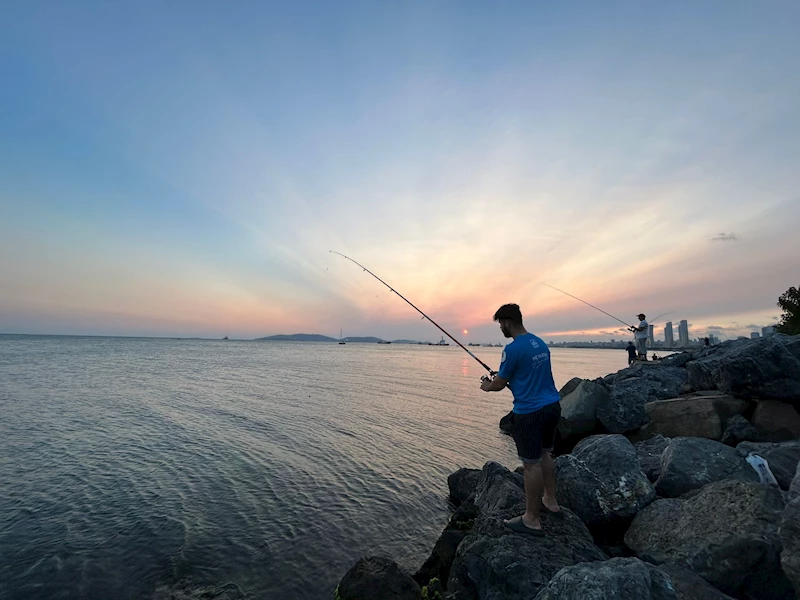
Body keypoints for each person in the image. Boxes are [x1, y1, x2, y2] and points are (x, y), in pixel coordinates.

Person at [479, 303, 561, 535]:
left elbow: (499, 384)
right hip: (552, 406)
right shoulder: (539, 343)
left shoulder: (512, 349)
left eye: (500, 324)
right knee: (545, 453)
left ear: (507, 322)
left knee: (530, 464)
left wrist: (487, 386)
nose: (501, 329)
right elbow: (528, 375)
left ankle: (531, 519)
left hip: (530, 413)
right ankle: (551, 501)